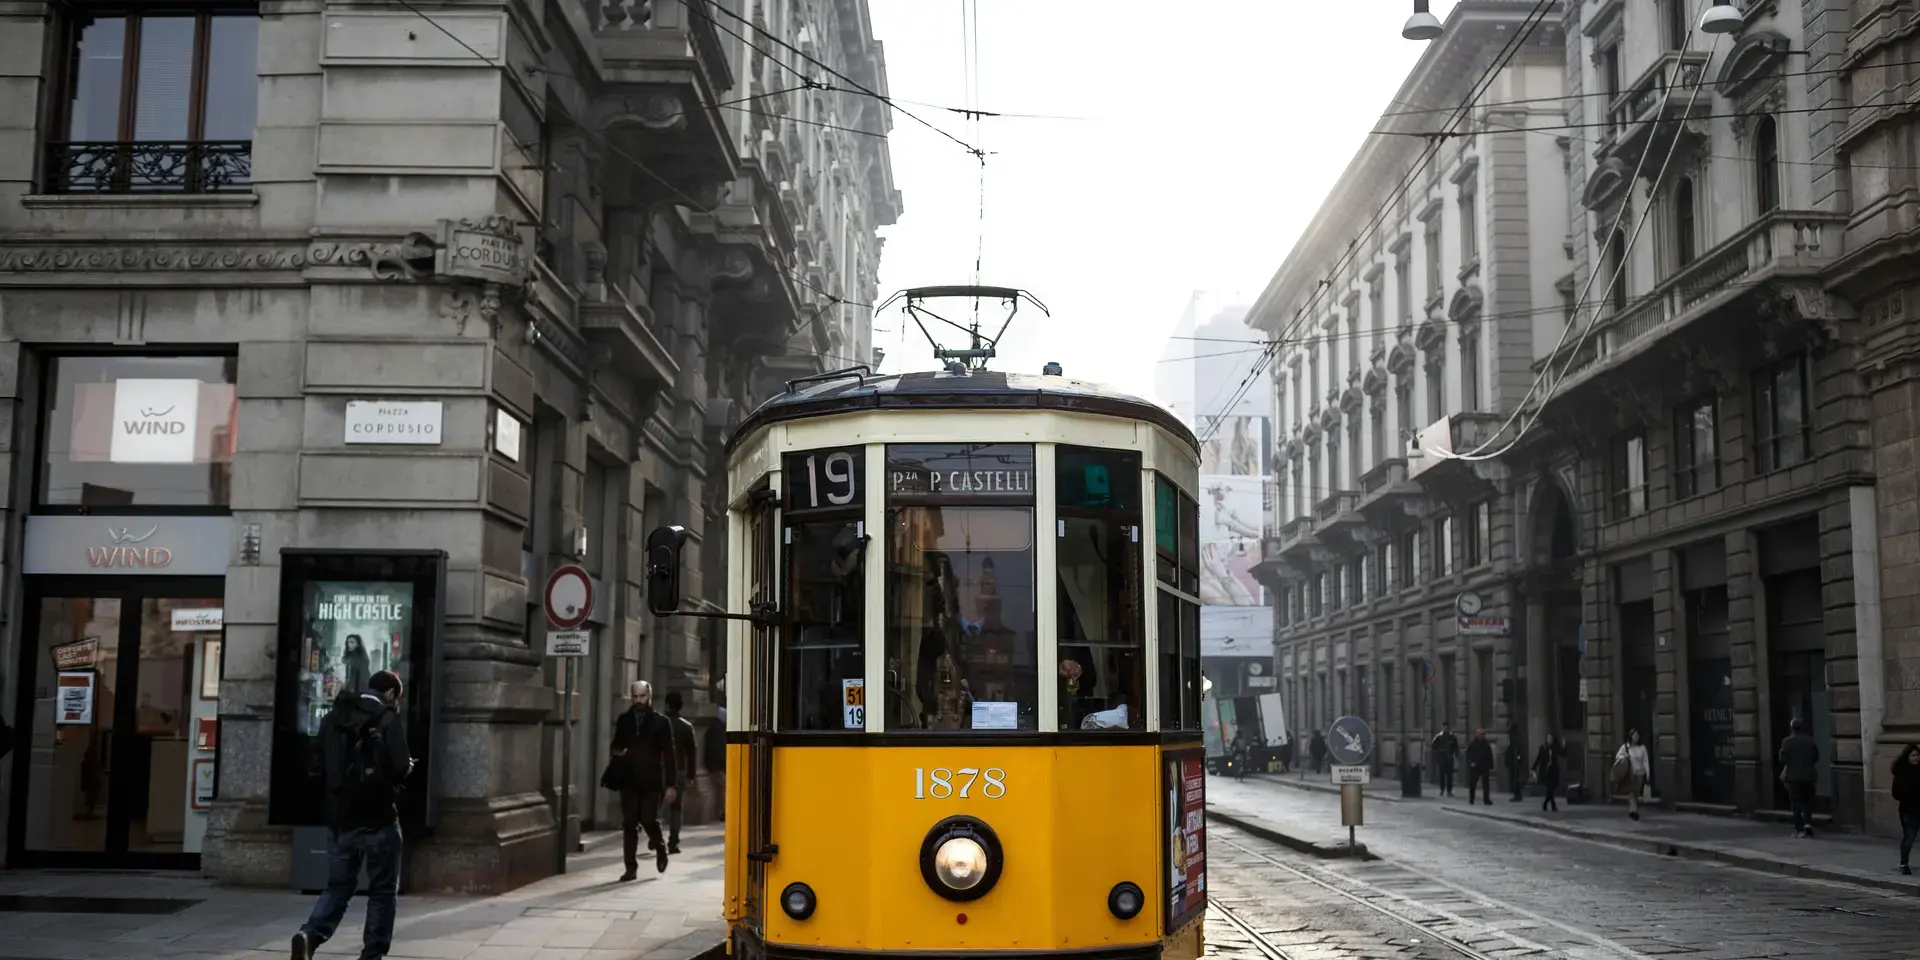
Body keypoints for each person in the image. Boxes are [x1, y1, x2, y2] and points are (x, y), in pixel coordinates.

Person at [291, 671, 413, 960]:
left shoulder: (335, 716)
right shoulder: (387, 718)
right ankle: (371, 955)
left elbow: (316, 763)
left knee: (338, 887)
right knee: (382, 891)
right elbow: (398, 768)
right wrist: (407, 767)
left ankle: (310, 934)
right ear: (392, 694)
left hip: (341, 819)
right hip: (379, 818)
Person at [609, 680, 679, 880]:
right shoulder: (624, 720)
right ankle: (630, 867)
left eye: (642, 696)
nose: (639, 700)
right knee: (629, 822)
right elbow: (615, 745)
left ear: (649, 696)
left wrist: (671, 785)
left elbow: (669, 755)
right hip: (629, 779)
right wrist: (617, 752)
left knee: (648, 818)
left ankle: (660, 847)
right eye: (635, 696)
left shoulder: (661, 722)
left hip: (651, 779)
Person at [662, 691, 697, 855]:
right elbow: (692, 753)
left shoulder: (659, 724)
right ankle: (673, 842)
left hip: (660, 769)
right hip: (679, 771)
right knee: (676, 807)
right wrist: (691, 775)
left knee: (653, 805)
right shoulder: (686, 727)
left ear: (667, 705)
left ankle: (655, 840)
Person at [1778, 717, 1820, 838]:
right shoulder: (1810, 741)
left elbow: (1782, 759)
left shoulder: (1787, 742)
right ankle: (1807, 823)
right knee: (1807, 801)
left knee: (1796, 803)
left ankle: (1799, 829)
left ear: (1792, 728)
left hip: (1794, 777)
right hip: (1809, 776)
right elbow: (1816, 757)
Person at [1892, 744, 1920, 875]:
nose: (1916, 758)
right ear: (1907, 757)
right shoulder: (1902, 773)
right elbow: (1895, 793)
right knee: (1909, 837)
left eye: (1917, 755)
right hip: (1908, 810)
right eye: (1913, 755)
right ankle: (1904, 863)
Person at [1614, 728, 1650, 821]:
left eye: (1637, 735)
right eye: (1634, 735)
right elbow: (1618, 756)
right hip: (1630, 773)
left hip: (1640, 773)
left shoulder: (1642, 748)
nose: (1636, 737)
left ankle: (1634, 809)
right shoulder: (1626, 747)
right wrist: (1625, 756)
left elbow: (1645, 761)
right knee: (1631, 792)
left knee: (1636, 793)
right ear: (1631, 737)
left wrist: (1647, 772)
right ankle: (1633, 810)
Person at [1532, 734, 1564, 812]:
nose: (1550, 740)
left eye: (1551, 739)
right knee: (1549, 788)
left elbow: (1563, 754)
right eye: (1548, 738)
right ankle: (1553, 806)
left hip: (1553, 770)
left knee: (1551, 788)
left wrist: (1564, 745)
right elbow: (1539, 758)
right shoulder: (1543, 748)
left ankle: (1546, 803)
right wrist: (1534, 768)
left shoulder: (1555, 748)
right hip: (1546, 771)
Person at [1465, 729, 1494, 806]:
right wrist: (1471, 762)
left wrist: (1490, 765)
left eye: (1483, 734)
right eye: (1481, 734)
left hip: (1484, 766)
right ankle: (1471, 799)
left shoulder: (1486, 744)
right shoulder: (1473, 744)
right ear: (1477, 735)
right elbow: (1468, 754)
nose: (1482, 736)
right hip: (1475, 766)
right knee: (1473, 784)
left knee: (1486, 784)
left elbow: (1489, 755)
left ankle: (1486, 799)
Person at [1431, 725, 1460, 797]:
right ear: (1442, 728)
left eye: (1446, 727)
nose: (1445, 729)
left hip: (1449, 758)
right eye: (1444, 727)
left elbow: (1456, 747)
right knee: (1441, 775)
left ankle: (1449, 791)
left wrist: (1455, 754)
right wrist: (1437, 753)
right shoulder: (1438, 736)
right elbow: (1433, 746)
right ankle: (1442, 789)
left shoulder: (1452, 737)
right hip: (1441, 758)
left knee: (1450, 775)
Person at [1505, 725, 1527, 802]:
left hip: (1514, 763)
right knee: (1515, 779)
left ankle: (1517, 795)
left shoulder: (1513, 739)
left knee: (1515, 780)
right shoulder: (1517, 738)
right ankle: (1517, 794)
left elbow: (1512, 750)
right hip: (1514, 762)